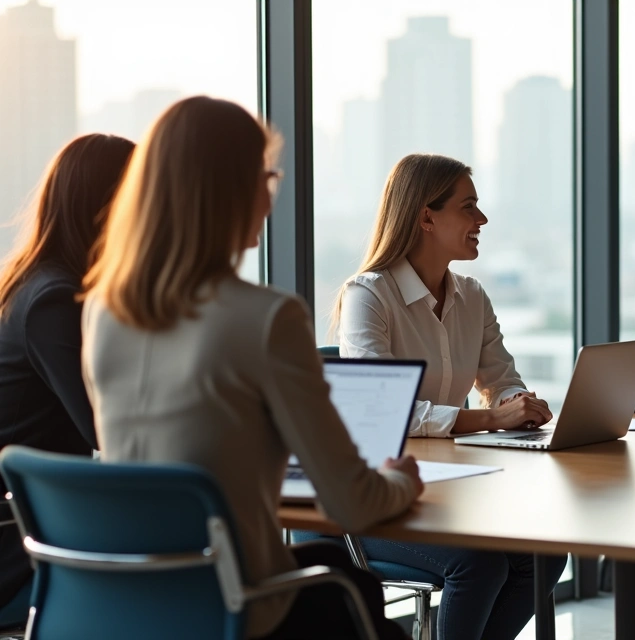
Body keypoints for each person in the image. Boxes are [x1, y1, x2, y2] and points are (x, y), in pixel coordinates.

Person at [80, 96, 421, 640]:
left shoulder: (103, 310)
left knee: (342, 576)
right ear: (231, 189)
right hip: (235, 605)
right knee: (362, 601)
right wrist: (400, 481)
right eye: (266, 176)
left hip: (131, 603)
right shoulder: (266, 318)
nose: (271, 194)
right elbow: (353, 502)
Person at [337, 153, 564, 640]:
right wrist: (490, 421)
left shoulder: (472, 296)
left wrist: (519, 403)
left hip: (450, 490)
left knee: (545, 556)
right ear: (425, 216)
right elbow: (384, 413)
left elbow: (500, 377)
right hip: (377, 496)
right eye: (469, 207)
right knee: (478, 565)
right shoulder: (369, 296)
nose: (482, 220)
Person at [0, 133, 133, 609]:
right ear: (107, 208)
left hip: (41, 522)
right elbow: (106, 429)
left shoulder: (34, 283)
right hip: (24, 543)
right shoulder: (53, 301)